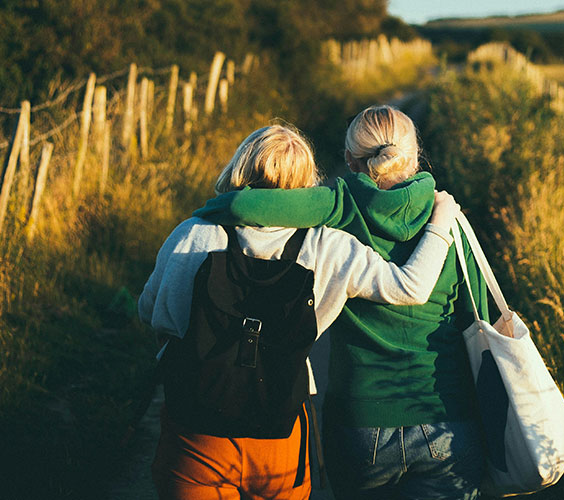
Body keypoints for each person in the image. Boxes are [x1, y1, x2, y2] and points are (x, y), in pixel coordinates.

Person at [138, 123, 462, 500]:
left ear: (240, 167)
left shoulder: (193, 233)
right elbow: (409, 286)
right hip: (280, 431)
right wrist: (441, 222)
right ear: (308, 181)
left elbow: (151, 312)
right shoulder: (329, 245)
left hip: (195, 431)